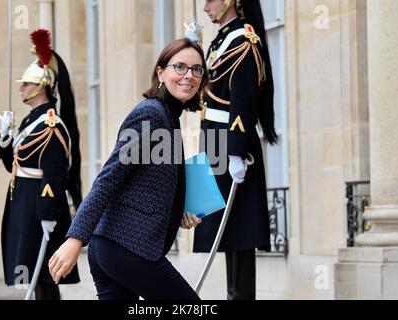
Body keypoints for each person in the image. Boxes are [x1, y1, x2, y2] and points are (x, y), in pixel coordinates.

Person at [48, 38, 209, 300]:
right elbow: (109, 177)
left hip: (116, 248)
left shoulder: (168, 117)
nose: (188, 76)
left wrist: (179, 211)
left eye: (196, 69)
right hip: (126, 248)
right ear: (160, 72)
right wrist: (75, 240)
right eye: (179, 67)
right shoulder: (151, 113)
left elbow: (146, 183)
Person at [193, 0, 278, 300]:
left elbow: (243, 100)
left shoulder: (243, 38)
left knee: (239, 232)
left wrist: (236, 151)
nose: (205, 8)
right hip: (213, 140)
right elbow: (205, 95)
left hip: (230, 142)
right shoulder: (220, 40)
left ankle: (239, 296)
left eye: (209, 0)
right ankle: (232, 295)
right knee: (222, 232)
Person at [0, 29, 82, 300]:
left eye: (26, 84)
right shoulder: (31, 120)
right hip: (24, 202)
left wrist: (48, 213)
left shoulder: (50, 122)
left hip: (38, 207)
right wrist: (4, 137)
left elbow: (54, 174)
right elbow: (15, 164)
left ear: (42, 86)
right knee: (34, 276)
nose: (21, 88)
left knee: (44, 278)